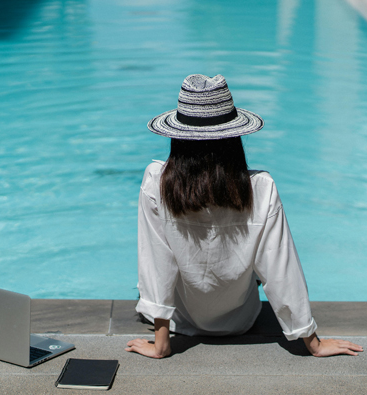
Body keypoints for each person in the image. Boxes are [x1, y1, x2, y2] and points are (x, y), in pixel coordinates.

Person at [125, 74, 363, 359]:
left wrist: (161, 345)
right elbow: (280, 269)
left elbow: (156, 264)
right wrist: (313, 342)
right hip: (240, 321)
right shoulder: (261, 188)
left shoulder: (156, 183)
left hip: (182, 322)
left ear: (178, 138)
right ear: (234, 137)